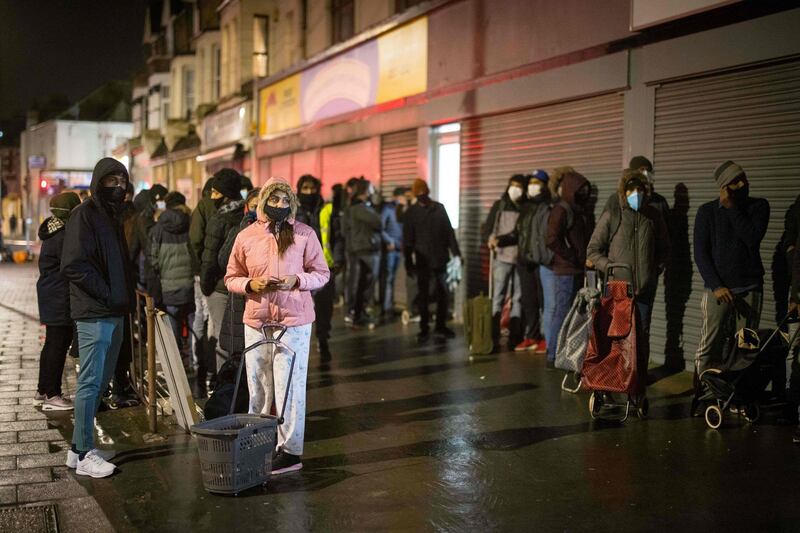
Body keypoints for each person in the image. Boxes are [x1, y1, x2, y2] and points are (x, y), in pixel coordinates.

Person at [225, 177, 330, 475]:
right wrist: (249, 284)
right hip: (257, 321)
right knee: (258, 385)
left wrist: (298, 281)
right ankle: (258, 443)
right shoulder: (246, 237)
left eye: (286, 201)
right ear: (263, 202)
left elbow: (322, 274)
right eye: (275, 200)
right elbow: (230, 276)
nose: (280, 206)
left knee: (290, 388)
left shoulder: (305, 234)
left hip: (294, 322)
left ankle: (291, 451)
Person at [60, 157, 135, 478]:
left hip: (113, 309)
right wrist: (108, 293)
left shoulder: (112, 216)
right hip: (95, 311)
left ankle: (78, 450)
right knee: (91, 383)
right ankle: (85, 454)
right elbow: (73, 264)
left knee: (101, 382)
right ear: (97, 182)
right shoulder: (85, 215)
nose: (117, 187)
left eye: (122, 181)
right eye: (111, 181)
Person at [587, 169, 669, 371]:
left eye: (640, 190)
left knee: (642, 333)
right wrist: (611, 268)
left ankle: (637, 375)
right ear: (623, 192)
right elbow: (593, 250)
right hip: (618, 286)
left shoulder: (653, 216)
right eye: (632, 190)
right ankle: (616, 373)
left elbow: (664, 247)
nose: (637, 194)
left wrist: (654, 269)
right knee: (617, 333)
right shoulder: (613, 215)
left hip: (645, 289)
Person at [693, 161, 769, 373]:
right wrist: (716, 285)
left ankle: (738, 396)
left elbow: (752, 239)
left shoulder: (759, 207)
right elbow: (701, 254)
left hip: (749, 288)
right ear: (724, 186)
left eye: (743, 178)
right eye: (735, 181)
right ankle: (703, 393)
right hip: (717, 292)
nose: (743, 183)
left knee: (746, 348)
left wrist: (731, 208)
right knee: (709, 345)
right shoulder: (707, 212)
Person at [541, 167, 593, 368]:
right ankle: (553, 354)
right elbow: (552, 239)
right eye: (579, 190)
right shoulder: (562, 210)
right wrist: (572, 256)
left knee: (568, 312)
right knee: (561, 311)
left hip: (574, 270)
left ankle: (560, 353)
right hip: (566, 271)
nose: (583, 195)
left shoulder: (574, 210)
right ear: (571, 189)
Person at [200, 168, 247, 392]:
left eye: (216, 193)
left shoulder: (218, 219)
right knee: (239, 336)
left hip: (220, 286)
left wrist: (206, 286)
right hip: (241, 286)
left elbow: (209, 256)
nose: (212, 198)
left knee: (221, 337)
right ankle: (239, 385)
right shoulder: (247, 215)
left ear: (226, 194)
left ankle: (223, 386)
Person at [35, 191, 81, 410]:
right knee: (58, 344)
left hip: (51, 293)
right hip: (59, 295)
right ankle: (52, 394)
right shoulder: (63, 235)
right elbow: (71, 264)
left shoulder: (53, 229)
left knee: (53, 343)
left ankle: (43, 389)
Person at [496, 170, 551, 352]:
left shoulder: (547, 206)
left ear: (544, 185)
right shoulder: (526, 207)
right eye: (531, 182)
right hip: (524, 261)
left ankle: (545, 337)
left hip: (539, 261)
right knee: (528, 301)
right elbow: (518, 233)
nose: (533, 186)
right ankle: (531, 336)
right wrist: (501, 239)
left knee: (543, 300)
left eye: (537, 182)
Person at [403, 178, 461, 343]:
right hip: (424, 261)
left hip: (439, 259)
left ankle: (439, 326)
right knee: (424, 295)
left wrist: (456, 254)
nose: (422, 196)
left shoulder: (438, 209)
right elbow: (407, 241)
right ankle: (425, 327)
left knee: (442, 293)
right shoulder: (412, 213)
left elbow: (449, 233)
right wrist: (408, 262)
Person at [295, 175, 338, 360]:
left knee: (324, 308)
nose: (309, 192)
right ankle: (299, 345)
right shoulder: (293, 210)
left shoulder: (328, 208)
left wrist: (339, 259)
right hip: (300, 269)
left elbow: (338, 235)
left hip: (325, 267)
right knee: (299, 309)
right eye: (305, 188)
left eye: (312, 188)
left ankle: (322, 339)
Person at [484, 174, 528, 350]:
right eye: (512, 185)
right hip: (501, 257)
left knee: (518, 298)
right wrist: (490, 239)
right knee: (498, 297)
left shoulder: (525, 207)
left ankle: (514, 336)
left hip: (519, 259)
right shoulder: (500, 205)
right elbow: (488, 228)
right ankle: (493, 336)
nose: (515, 189)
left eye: (519, 186)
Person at [151, 191, 196, 362]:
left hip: (168, 285)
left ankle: (177, 362)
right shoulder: (191, 223)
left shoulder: (158, 229)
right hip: (190, 283)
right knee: (193, 321)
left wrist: (161, 273)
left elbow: (153, 257)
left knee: (174, 321)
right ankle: (193, 360)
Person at [217, 188, 261, 363]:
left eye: (261, 207)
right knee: (239, 353)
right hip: (240, 297)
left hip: (262, 301)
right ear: (246, 207)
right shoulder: (238, 229)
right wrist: (242, 231)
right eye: (253, 206)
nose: (256, 211)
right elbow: (223, 259)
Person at [342, 179, 382, 327]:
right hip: (365, 249)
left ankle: (357, 312)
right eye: (372, 190)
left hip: (358, 248)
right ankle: (358, 313)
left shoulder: (351, 207)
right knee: (364, 284)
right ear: (365, 191)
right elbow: (378, 222)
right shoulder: (361, 208)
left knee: (359, 283)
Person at [189, 177, 217, 382]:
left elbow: (195, 240)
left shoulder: (201, 207)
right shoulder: (216, 207)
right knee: (211, 319)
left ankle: (200, 363)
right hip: (214, 273)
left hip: (201, 273)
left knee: (202, 315)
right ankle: (209, 365)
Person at [380, 187, 408, 322]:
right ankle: (386, 307)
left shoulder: (403, 210)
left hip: (399, 248)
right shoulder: (388, 210)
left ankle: (389, 305)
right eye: (404, 196)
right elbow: (380, 228)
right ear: (397, 197)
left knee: (392, 278)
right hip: (391, 249)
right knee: (389, 278)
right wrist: (389, 241)